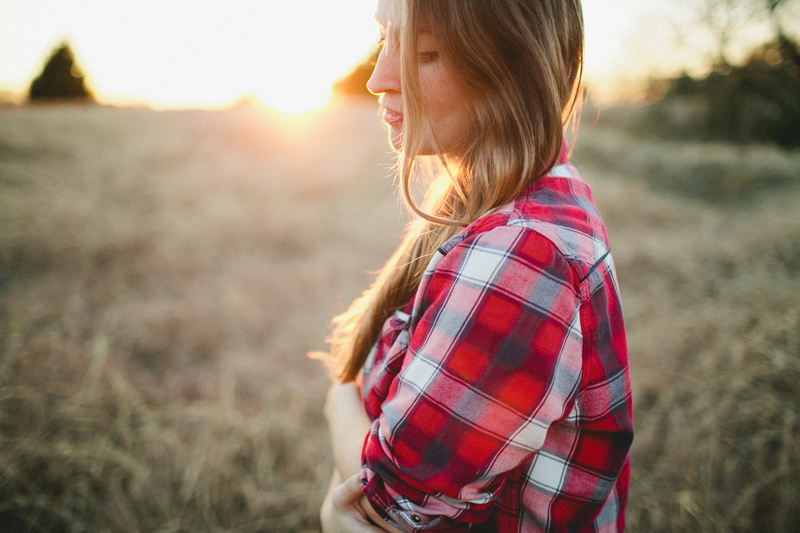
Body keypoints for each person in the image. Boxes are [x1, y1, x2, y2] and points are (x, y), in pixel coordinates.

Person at [320, 0, 633, 531]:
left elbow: (393, 502)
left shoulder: (523, 256)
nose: (378, 79)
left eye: (424, 52)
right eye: (383, 40)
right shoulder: (517, 202)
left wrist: (336, 404)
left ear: (510, 70)